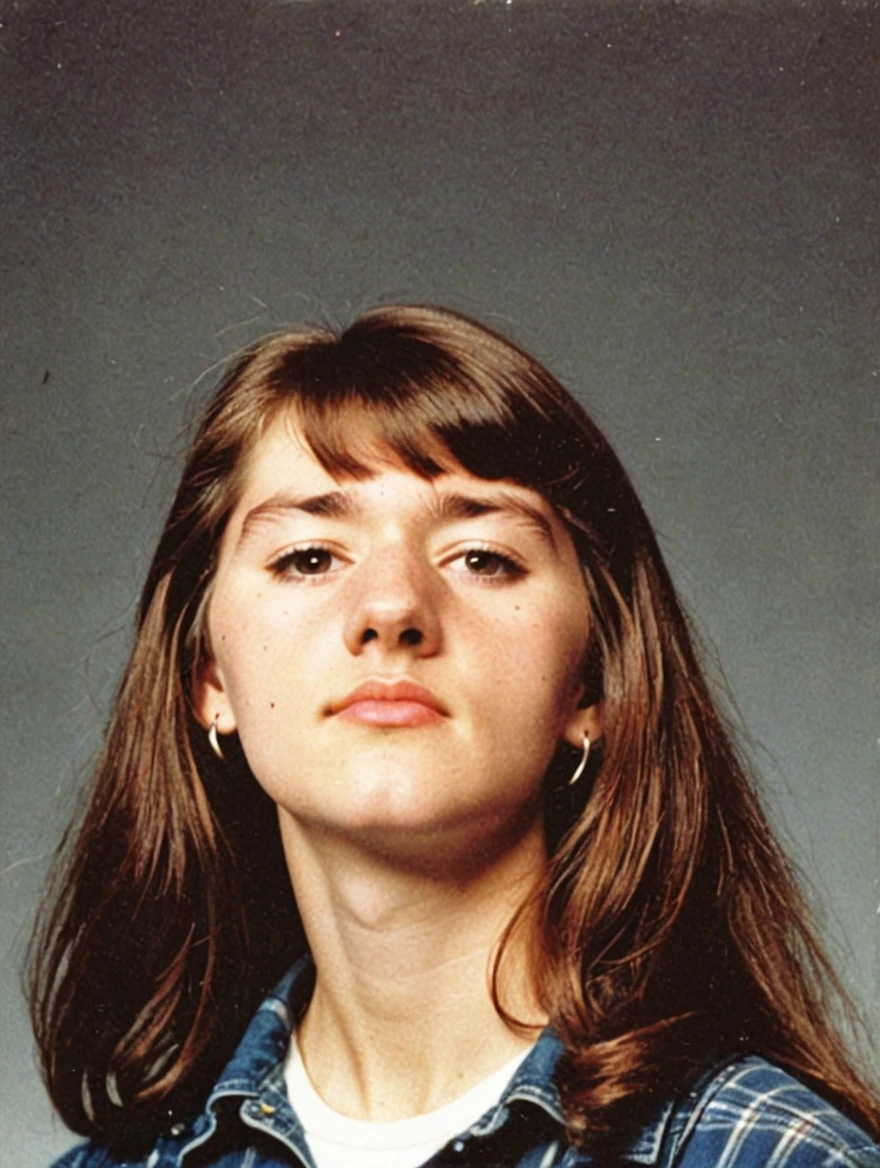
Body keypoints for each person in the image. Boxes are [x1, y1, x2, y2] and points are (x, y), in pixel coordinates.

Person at [30, 305, 880, 1168]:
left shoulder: (769, 1154)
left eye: (482, 557)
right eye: (311, 557)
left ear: (590, 683)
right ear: (208, 678)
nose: (392, 607)